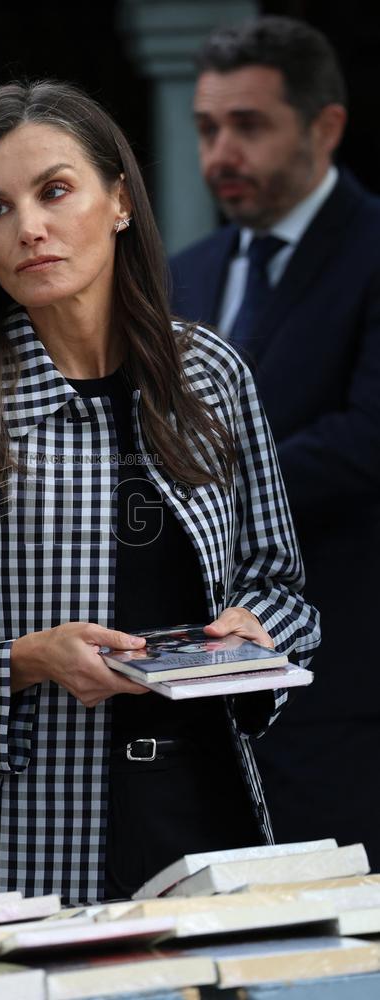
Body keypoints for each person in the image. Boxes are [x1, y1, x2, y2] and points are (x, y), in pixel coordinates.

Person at [0, 79, 319, 903]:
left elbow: (282, 589)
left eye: (55, 191)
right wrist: (25, 663)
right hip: (8, 857)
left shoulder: (210, 376)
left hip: (206, 828)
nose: (29, 227)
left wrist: (251, 634)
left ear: (121, 202)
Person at [170, 16, 380, 867]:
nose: (221, 152)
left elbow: (366, 440)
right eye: (208, 128)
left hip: (343, 683)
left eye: (249, 125)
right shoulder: (187, 270)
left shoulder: (372, 251)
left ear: (324, 125)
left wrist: (193, 497)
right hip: (198, 692)